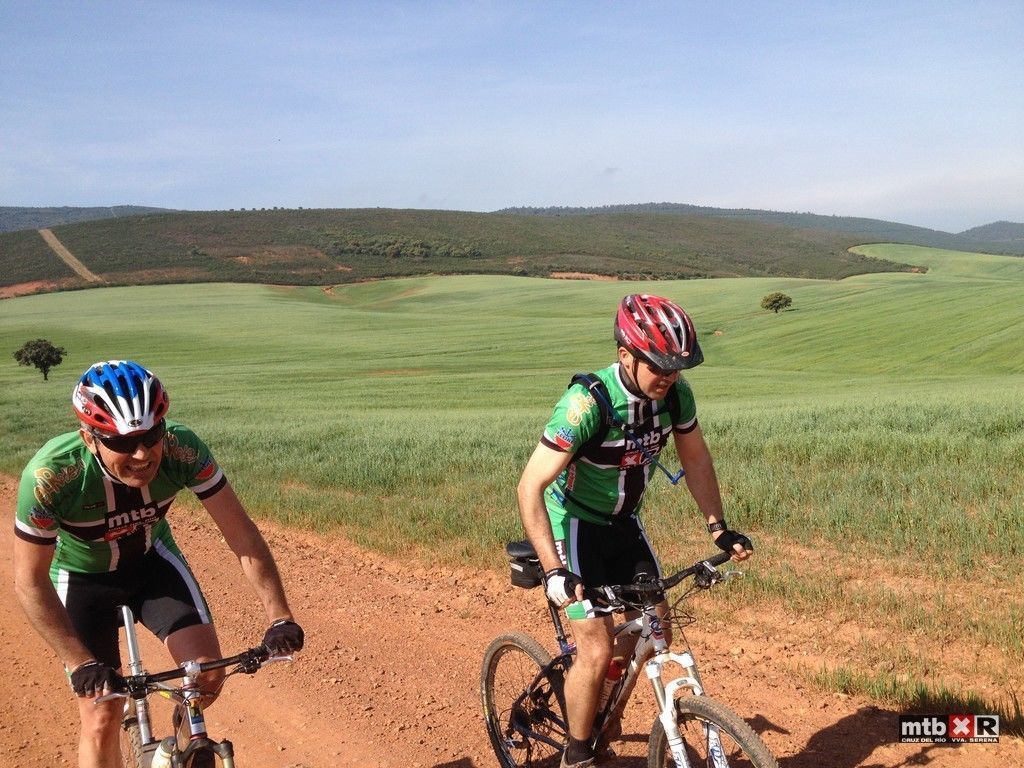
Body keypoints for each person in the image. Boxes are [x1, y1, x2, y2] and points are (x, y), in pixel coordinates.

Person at [14, 360, 304, 768]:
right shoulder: (51, 476)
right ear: (89, 438)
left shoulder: (182, 449)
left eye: (152, 436)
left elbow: (242, 534)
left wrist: (279, 617)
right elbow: (29, 581)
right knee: (101, 714)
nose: (141, 454)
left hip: (152, 563)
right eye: (122, 442)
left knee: (205, 677)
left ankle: (173, 754)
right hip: (81, 578)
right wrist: (81, 663)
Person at [517, 294, 754, 768]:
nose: (670, 377)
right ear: (626, 355)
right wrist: (554, 570)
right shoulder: (586, 403)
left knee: (656, 622)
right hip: (573, 523)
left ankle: (605, 714)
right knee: (596, 644)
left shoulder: (676, 397)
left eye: (677, 368)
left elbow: (695, 458)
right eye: (660, 366)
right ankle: (577, 754)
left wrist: (719, 528)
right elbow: (530, 486)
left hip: (624, 522)